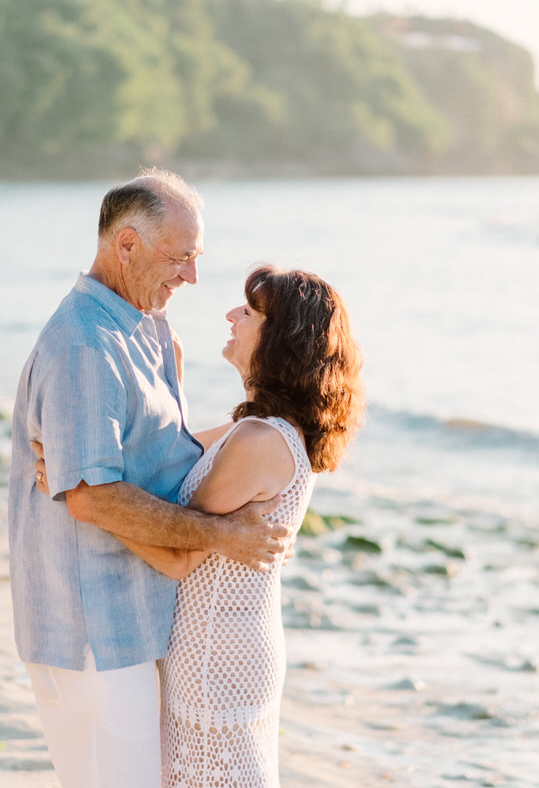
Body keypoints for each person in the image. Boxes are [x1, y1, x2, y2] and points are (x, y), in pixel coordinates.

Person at [7, 169, 291, 788]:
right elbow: (92, 495)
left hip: (133, 624)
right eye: (180, 257)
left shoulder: (147, 329)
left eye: (196, 258)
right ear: (127, 244)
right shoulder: (86, 345)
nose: (191, 276)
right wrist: (221, 536)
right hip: (91, 633)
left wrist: (280, 426)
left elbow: (169, 454)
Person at [37, 265, 363, 786]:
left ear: (282, 340)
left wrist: (90, 500)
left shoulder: (259, 439)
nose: (233, 316)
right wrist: (170, 380)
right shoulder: (261, 430)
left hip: (216, 652)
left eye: (251, 313)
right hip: (226, 642)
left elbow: (180, 553)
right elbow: (176, 456)